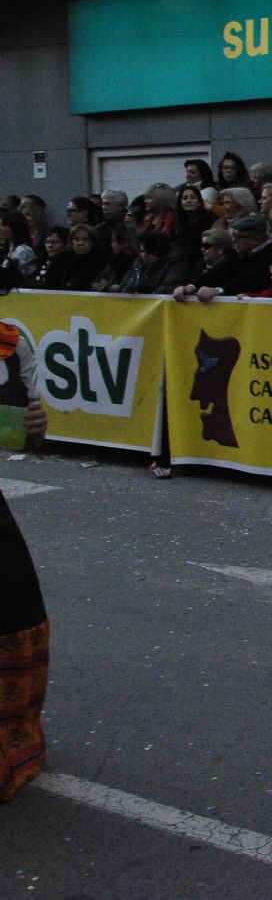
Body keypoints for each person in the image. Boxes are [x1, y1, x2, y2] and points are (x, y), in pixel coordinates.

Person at [0, 257, 51, 801]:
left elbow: (33, 429)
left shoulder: (13, 342)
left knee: (17, 609)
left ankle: (12, 737)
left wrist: (38, 428)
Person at [192, 214, 272, 301]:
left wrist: (219, 290)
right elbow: (217, 272)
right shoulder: (239, 254)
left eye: (238, 237)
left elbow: (249, 279)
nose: (234, 241)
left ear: (256, 240)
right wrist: (192, 286)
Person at [172, 229, 237, 301]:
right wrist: (185, 288)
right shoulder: (198, 266)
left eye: (206, 246)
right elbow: (193, 283)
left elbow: (232, 286)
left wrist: (218, 290)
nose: (202, 249)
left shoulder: (233, 267)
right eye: (201, 246)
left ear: (220, 249)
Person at [60, 224, 111, 291]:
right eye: (76, 239)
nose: (80, 243)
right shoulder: (66, 260)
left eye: (85, 239)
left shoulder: (100, 262)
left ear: (93, 242)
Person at [0, 209, 37, 282]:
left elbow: (17, 277)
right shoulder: (8, 249)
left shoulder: (23, 250)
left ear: (15, 227)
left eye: (4, 225)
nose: (0, 228)